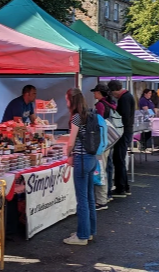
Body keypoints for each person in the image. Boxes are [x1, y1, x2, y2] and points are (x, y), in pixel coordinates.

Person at [63, 88, 97, 245]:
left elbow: (71, 142)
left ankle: (82, 235)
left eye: (67, 100)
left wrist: (68, 154)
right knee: (90, 197)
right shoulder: (90, 113)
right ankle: (89, 231)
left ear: (72, 100)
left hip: (81, 159)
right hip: (91, 158)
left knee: (82, 199)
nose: (66, 103)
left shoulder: (76, 118)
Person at [91, 84, 118, 210]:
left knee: (100, 170)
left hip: (101, 142)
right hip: (109, 140)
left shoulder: (100, 105)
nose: (93, 94)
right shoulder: (110, 103)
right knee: (107, 168)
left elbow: (98, 124)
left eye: (95, 92)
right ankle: (107, 194)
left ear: (99, 92)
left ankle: (101, 200)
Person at [108, 80, 135, 198]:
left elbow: (124, 117)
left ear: (115, 90)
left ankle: (121, 188)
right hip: (126, 131)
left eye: (112, 93)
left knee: (118, 159)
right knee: (120, 159)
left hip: (123, 132)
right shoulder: (128, 96)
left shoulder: (124, 99)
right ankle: (124, 186)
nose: (113, 95)